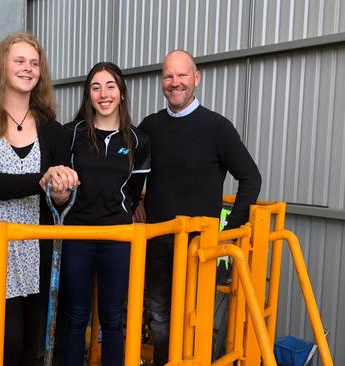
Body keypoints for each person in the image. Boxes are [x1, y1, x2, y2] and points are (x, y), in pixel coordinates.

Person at [0, 32, 79, 366]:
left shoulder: (53, 130)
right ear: (1, 67)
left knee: (31, 348)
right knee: (3, 345)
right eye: (19, 61)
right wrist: (43, 181)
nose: (28, 69)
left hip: (36, 252)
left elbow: (58, 200)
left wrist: (61, 189)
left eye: (34, 63)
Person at [134, 49, 262, 365]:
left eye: (182, 75)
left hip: (199, 249)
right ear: (162, 81)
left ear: (196, 78)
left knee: (195, 322)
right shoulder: (149, 127)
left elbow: (251, 177)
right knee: (160, 319)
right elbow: (131, 174)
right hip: (158, 244)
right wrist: (137, 201)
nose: (175, 82)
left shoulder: (217, 128)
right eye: (168, 76)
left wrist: (229, 231)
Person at [59, 62, 150, 366]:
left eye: (110, 86)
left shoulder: (137, 140)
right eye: (96, 87)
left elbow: (135, 190)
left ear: (121, 93)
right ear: (88, 94)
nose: (104, 93)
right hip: (77, 235)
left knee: (112, 317)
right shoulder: (72, 134)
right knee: (75, 316)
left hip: (117, 237)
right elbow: (58, 184)